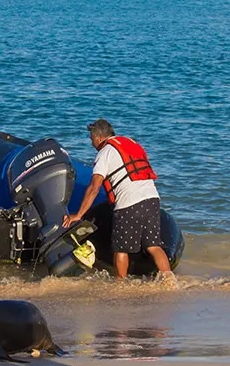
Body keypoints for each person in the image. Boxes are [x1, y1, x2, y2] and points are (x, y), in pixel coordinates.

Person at [62, 119, 173, 280]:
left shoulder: (104, 153)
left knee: (120, 249)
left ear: (98, 137)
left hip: (129, 203)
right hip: (152, 199)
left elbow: (94, 188)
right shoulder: (130, 142)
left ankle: (120, 284)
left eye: (91, 138)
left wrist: (78, 215)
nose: (91, 143)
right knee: (153, 246)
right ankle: (170, 280)